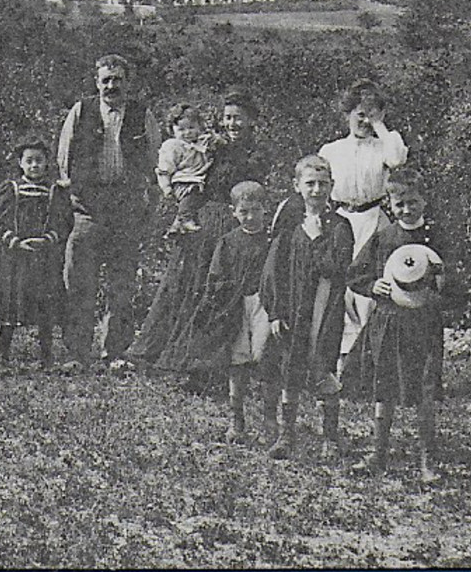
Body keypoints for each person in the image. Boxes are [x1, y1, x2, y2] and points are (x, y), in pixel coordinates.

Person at [129, 91, 268, 374]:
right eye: (228, 117)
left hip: (233, 225)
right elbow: (185, 165)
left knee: (218, 289)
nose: (232, 124)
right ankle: (160, 349)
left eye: (238, 118)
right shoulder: (210, 144)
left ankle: (205, 357)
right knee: (182, 281)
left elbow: (250, 186)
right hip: (202, 220)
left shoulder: (256, 152)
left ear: (251, 120)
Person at [55, 53, 162, 370]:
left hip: (125, 208)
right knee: (79, 281)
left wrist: (146, 201)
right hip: (88, 207)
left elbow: (155, 160)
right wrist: (75, 192)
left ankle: (114, 351)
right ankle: (76, 352)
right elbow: (65, 156)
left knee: (122, 284)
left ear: (128, 83)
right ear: (96, 82)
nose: (112, 86)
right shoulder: (82, 110)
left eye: (118, 80)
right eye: (106, 80)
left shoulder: (142, 115)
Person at [349, 168, 454, 481]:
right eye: (399, 205)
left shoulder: (437, 238)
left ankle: (427, 461)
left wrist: (441, 285)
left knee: (424, 388)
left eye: (412, 202)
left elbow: (453, 281)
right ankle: (378, 453)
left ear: (424, 200)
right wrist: (373, 287)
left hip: (423, 323)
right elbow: (355, 274)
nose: (406, 209)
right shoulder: (384, 237)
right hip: (390, 322)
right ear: (389, 206)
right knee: (385, 387)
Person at [257, 155, 353, 459]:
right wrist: (275, 311)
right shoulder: (289, 226)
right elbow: (274, 272)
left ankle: (330, 438)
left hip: (324, 310)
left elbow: (337, 268)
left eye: (322, 184)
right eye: (310, 183)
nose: (316, 190)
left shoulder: (339, 227)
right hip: (293, 308)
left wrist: (315, 241)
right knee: (291, 366)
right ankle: (287, 436)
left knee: (322, 364)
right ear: (297, 186)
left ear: (332, 186)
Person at [317, 80, 408, 369]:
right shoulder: (332, 149)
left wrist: (380, 125)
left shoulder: (383, 146)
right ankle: (341, 361)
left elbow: (396, 160)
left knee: (369, 289)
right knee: (340, 289)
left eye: (371, 113)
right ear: (347, 114)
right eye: (360, 113)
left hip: (373, 220)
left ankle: (369, 362)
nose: (365, 120)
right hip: (341, 220)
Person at [185, 181, 273, 441]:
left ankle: (270, 421)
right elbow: (215, 276)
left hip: (264, 304)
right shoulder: (228, 242)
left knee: (266, 357)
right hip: (234, 305)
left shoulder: (272, 241)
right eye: (243, 211)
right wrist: (221, 298)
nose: (250, 216)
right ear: (233, 212)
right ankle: (237, 422)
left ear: (264, 210)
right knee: (237, 362)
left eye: (255, 210)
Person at [0, 140, 73, 366]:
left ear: (47, 164)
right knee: (10, 302)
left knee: (45, 304)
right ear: (20, 163)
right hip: (15, 257)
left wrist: (46, 240)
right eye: (29, 161)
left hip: (44, 257)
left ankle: (46, 353)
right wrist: (14, 242)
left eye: (39, 161)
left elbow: (63, 223)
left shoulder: (55, 192)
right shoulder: (11, 189)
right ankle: (2, 350)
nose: (34, 166)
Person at [156, 103, 214, 236]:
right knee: (192, 194)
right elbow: (164, 169)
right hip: (183, 181)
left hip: (199, 177)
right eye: (181, 129)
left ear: (199, 127)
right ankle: (184, 219)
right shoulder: (173, 146)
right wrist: (166, 188)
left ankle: (177, 224)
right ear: (172, 130)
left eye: (191, 128)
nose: (187, 133)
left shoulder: (201, 142)